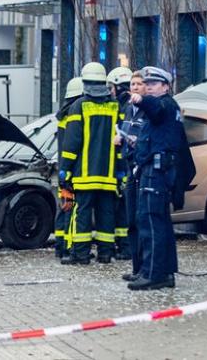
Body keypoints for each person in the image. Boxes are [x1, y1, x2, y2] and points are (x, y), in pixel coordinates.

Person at [127, 66, 195, 290]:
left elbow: (155, 109)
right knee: (159, 223)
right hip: (155, 171)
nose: (148, 87)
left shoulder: (165, 104)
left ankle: (153, 274)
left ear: (166, 86)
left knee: (151, 223)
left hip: (157, 173)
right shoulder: (165, 108)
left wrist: (140, 100)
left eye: (153, 84)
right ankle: (161, 272)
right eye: (146, 84)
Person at [59, 62, 122, 265]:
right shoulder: (115, 106)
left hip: (84, 174)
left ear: (84, 81)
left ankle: (81, 255)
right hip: (108, 174)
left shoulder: (79, 105)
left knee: (82, 214)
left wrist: (65, 170)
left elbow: (72, 142)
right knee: (106, 213)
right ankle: (105, 253)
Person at [118, 71, 147, 280]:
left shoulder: (149, 111)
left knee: (142, 221)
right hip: (130, 167)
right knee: (132, 222)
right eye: (133, 84)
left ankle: (146, 269)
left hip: (142, 169)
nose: (135, 87)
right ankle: (137, 269)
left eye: (139, 84)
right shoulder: (129, 109)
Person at [54, 77, 84, 258]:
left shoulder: (62, 116)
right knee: (71, 210)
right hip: (72, 170)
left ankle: (60, 246)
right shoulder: (74, 116)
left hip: (63, 168)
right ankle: (68, 246)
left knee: (64, 207)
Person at [107, 66, 133, 260]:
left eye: (112, 87)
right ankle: (124, 246)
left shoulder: (125, 107)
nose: (110, 91)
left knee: (124, 209)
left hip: (124, 167)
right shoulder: (126, 105)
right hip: (123, 166)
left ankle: (125, 248)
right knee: (122, 207)